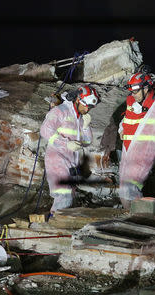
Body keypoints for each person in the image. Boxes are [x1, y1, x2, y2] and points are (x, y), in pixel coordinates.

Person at [40, 85, 100, 215]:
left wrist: (85, 126)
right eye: (86, 105)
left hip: (71, 162)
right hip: (57, 159)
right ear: (78, 100)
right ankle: (54, 228)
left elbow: (86, 142)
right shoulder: (60, 111)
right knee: (64, 195)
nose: (87, 109)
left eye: (90, 107)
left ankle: (56, 224)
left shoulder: (80, 116)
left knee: (68, 197)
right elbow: (45, 130)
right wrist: (66, 144)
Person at [118, 73, 155, 209]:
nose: (133, 94)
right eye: (131, 91)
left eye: (135, 91)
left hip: (144, 152)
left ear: (146, 88)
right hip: (128, 150)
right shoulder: (131, 101)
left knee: (130, 187)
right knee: (124, 186)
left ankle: (140, 216)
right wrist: (121, 129)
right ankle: (133, 214)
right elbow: (125, 119)